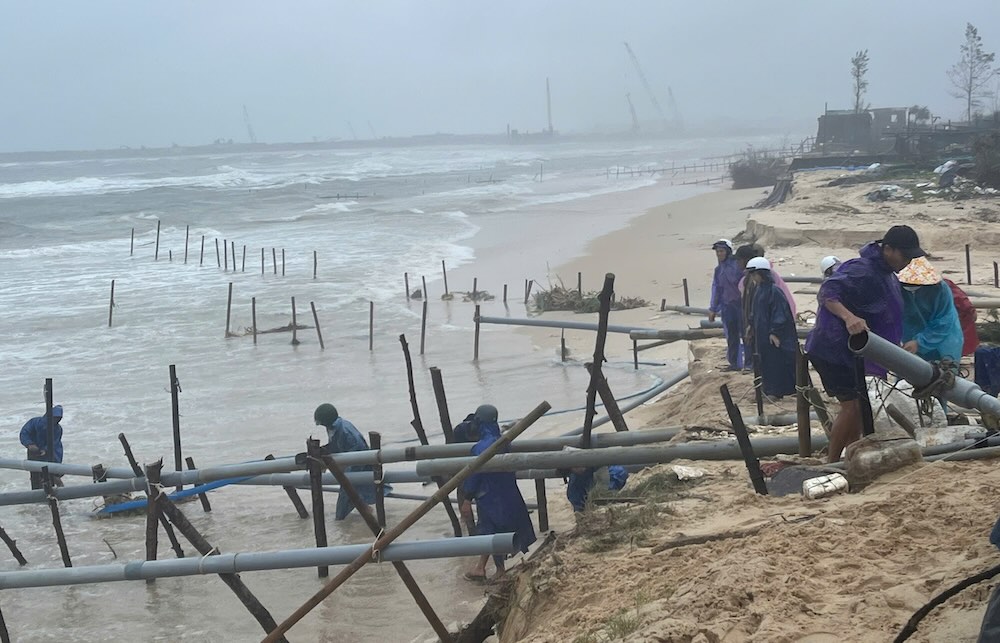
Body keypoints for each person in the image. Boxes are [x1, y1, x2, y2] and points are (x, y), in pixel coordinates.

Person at [804, 225, 916, 462]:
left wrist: (897, 345)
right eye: (904, 255)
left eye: (910, 257)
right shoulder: (862, 269)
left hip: (854, 353)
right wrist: (849, 317)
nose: (907, 261)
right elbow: (828, 292)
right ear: (888, 249)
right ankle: (832, 461)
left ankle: (852, 457)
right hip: (833, 348)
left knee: (858, 408)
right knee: (852, 406)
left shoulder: (887, 275)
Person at [461, 405, 536, 582]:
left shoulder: (480, 448)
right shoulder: (503, 442)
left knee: (490, 532)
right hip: (507, 492)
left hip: (488, 496)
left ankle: (499, 570)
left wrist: (467, 498)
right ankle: (481, 568)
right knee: (495, 530)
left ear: (478, 422)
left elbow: (474, 474)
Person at [313, 403, 378, 520]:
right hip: (348, 467)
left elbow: (359, 453)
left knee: (342, 510)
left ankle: (346, 522)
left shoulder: (346, 431)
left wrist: (347, 475)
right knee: (354, 498)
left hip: (357, 468)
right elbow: (336, 446)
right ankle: (365, 513)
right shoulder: (333, 428)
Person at [746, 258, 797, 398]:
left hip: (772, 336)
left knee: (776, 363)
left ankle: (776, 392)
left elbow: (780, 314)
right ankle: (767, 389)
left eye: (754, 274)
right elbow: (755, 311)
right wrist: (751, 326)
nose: (752, 277)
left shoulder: (774, 291)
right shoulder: (759, 290)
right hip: (761, 335)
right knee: (765, 363)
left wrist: (775, 332)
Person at [897, 257, 963, 364]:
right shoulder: (898, 288)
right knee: (907, 373)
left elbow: (944, 321)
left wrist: (919, 342)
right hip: (908, 341)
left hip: (943, 342)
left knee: (942, 375)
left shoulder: (940, 290)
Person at [708, 239, 744, 370]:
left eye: (721, 251)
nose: (719, 254)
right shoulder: (718, 270)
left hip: (740, 305)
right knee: (731, 336)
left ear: (728, 251)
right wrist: (713, 308)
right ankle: (734, 363)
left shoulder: (738, 266)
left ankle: (750, 363)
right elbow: (716, 289)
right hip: (727, 307)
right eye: (717, 252)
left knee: (746, 335)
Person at [20, 405, 64, 489]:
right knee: (35, 477)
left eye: (58, 418)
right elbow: (24, 432)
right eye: (54, 417)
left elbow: (55, 443)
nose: (55, 420)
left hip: (50, 455)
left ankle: (60, 494)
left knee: (53, 475)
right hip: (33, 452)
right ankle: (37, 497)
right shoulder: (35, 422)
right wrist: (29, 444)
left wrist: (45, 449)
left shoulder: (58, 429)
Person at [563, 463, 629, 512]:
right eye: (575, 466)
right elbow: (579, 509)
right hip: (593, 513)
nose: (579, 467)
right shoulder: (575, 485)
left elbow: (621, 473)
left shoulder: (614, 471)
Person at [943, 278, 979, 356]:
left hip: (956, 329)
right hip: (958, 331)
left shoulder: (943, 285)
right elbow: (962, 300)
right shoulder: (943, 284)